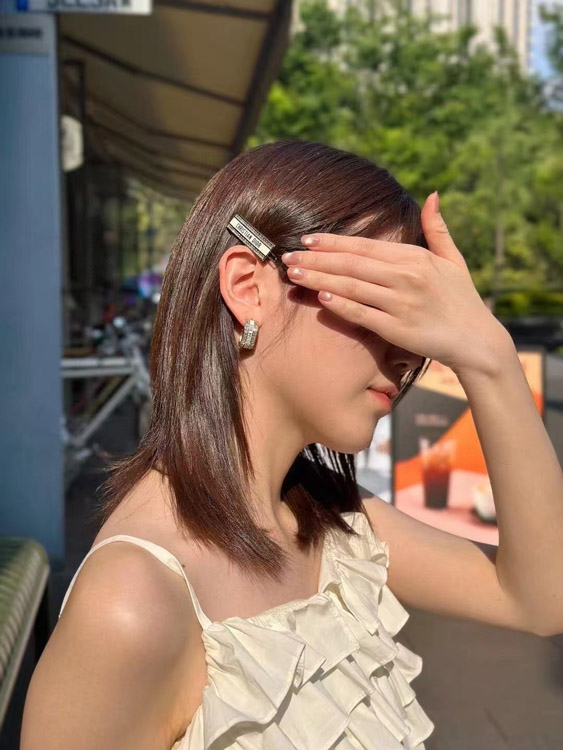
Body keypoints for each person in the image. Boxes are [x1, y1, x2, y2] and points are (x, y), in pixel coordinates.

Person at [21, 140, 556, 750]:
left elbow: (541, 598)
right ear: (248, 286)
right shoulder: (133, 602)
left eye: (414, 316)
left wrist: (489, 356)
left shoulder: (336, 525)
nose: (409, 351)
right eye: (374, 300)